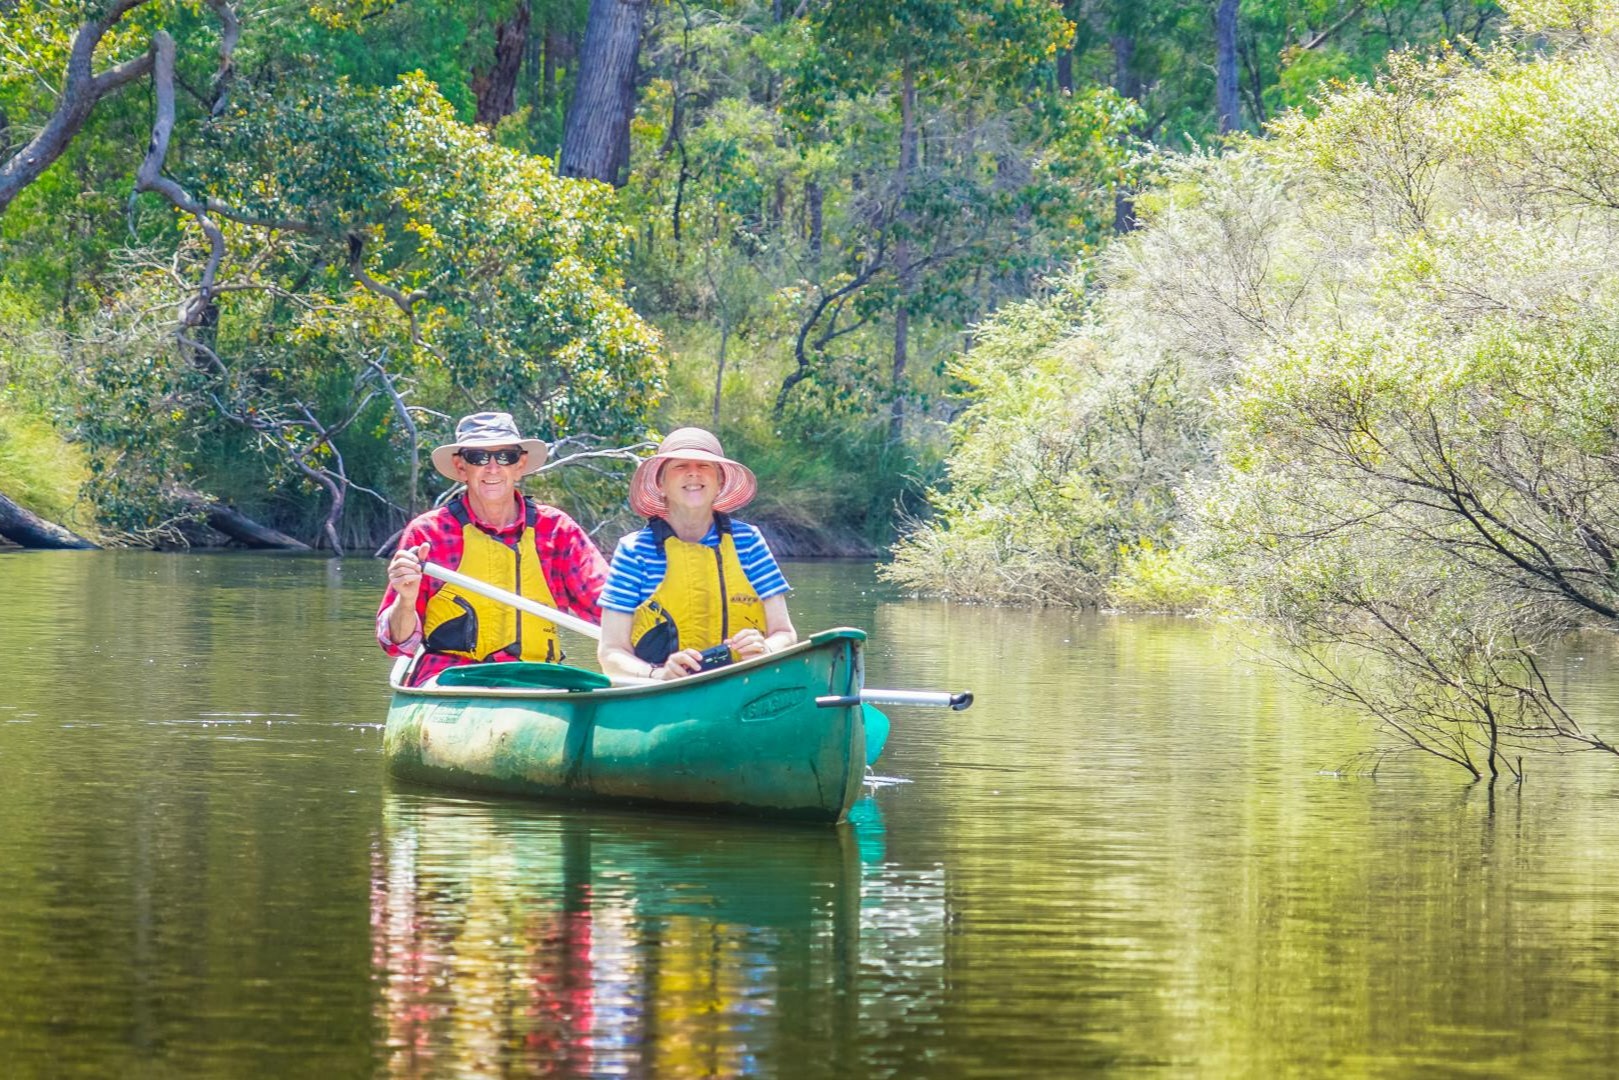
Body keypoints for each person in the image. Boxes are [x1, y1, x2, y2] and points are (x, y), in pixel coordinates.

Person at [378, 411, 609, 687]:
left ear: (520, 465)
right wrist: (405, 600)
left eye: (505, 456)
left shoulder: (557, 530)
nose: (492, 468)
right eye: (478, 457)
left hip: (539, 683)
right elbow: (397, 644)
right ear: (461, 467)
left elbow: (608, 607)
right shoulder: (428, 533)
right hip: (451, 681)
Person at [597, 427, 796, 681]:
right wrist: (659, 674)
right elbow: (610, 654)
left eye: (704, 465)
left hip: (744, 684)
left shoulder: (748, 542)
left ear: (720, 482)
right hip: (665, 692)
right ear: (661, 483)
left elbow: (785, 634)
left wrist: (766, 649)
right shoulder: (634, 550)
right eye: (680, 466)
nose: (693, 473)